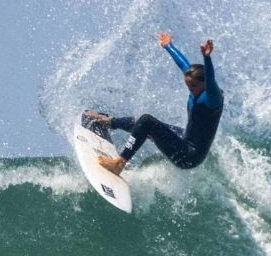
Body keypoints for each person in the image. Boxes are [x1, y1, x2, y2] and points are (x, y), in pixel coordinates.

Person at [84, 32, 223, 175]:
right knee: (141, 124)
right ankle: (110, 122)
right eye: (188, 85)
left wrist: (207, 57)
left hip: (188, 156)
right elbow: (183, 64)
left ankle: (119, 164)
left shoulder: (213, 98)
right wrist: (168, 45)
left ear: (205, 83)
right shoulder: (197, 81)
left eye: (193, 86)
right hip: (185, 138)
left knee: (147, 121)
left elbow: (211, 79)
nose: (190, 89)